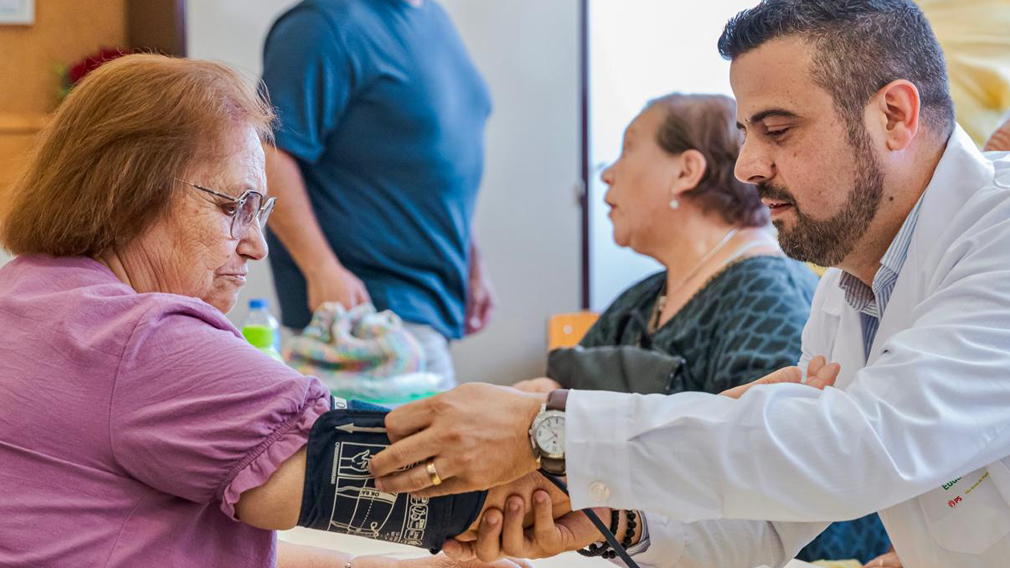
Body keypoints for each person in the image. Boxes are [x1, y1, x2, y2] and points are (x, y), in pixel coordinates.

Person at [367, 2, 1010, 567]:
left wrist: (548, 431)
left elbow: (866, 443)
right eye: (746, 134)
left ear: (894, 115)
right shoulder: (843, 297)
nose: (750, 167)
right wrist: (612, 520)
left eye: (778, 131)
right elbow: (767, 522)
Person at [0, 53, 548, 568]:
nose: (256, 245)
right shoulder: (139, 340)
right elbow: (431, 481)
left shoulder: (24, 296)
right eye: (233, 207)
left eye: (259, 211)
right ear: (127, 191)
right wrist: (568, 443)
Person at [513, 93, 885, 562]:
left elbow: (774, 493)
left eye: (627, 150)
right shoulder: (646, 296)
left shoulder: (766, 292)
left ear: (686, 170)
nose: (606, 173)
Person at [260, 0, 495, 386]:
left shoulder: (432, 18)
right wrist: (321, 268)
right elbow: (270, 152)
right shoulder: (325, 24)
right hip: (366, 320)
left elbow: (429, 158)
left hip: (429, 308)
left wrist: (471, 259)